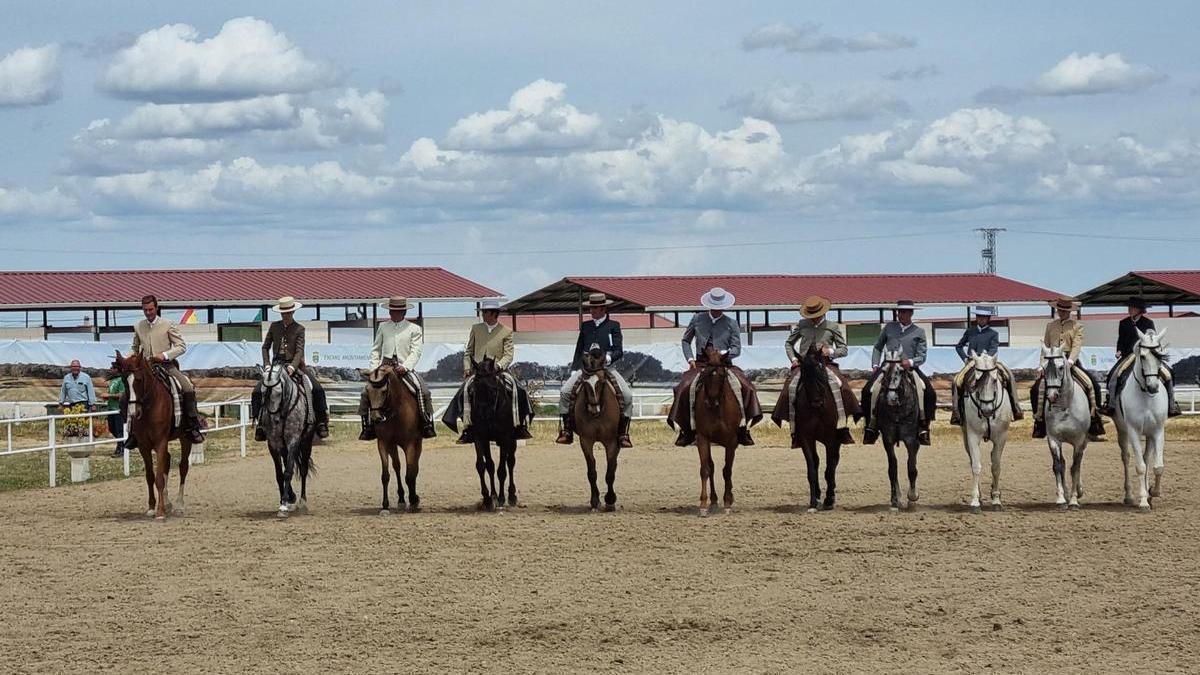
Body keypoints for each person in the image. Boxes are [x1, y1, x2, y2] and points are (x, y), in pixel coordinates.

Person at [668, 287, 762, 447]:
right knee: (683, 388)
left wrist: (723, 355)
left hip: (724, 365)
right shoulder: (697, 319)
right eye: (715, 306)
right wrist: (690, 358)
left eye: (720, 307)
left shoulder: (731, 323)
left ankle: (743, 428)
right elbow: (685, 340)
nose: (718, 310)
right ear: (709, 305)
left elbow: (737, 348)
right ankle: (687, 430)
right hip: (701, 364)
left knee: (747, 388)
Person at [775, 295, 861, 444]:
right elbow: (789, 343)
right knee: (790, 387)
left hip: (825, 364)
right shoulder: (802, 324)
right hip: (804, 365)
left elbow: (844, 349)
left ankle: (842, 425)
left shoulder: (832, 326)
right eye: (811, 316)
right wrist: (794, 359)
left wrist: (831, 352)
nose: (813, 318)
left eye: (815, 315)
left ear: (822, 313)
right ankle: (794, 428)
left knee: (841, 386)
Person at [124, 294, 205, 448]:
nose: (148, 313)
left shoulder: (168, 324)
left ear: (156, 308)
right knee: (125, 396)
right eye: (145, 310)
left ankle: (192, 425)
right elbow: (134, 348)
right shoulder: (138, 326)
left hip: (167, 366)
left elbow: (181, 346)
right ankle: (132, 432)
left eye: (150, 309)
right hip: (145, 370)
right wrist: (126, 359)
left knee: (187, 388)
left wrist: (165, 355)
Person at [555, 293, 634, 447]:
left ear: (603, 308)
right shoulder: (586, 326)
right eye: (590, 308)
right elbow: (579, 349)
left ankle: (623, 433)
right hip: (586, 369)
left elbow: (619, 350)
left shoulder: (613, 326)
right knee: (565, 392)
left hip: (607, 368)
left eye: (595, 308)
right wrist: (574, 369)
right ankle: (567, 430)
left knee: (627, 395)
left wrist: (609, 358)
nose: (592, 311)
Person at [358, 296, 437, 440]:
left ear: (403, 312)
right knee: (366, 392)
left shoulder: (414, 329)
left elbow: (416, 351)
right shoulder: (383, 326)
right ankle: (367, 426)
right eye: (391, 311)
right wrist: (374, 368)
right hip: (384, 367)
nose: (393, 314)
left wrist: (406, 366)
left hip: (404, 367)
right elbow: (376, 349)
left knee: (423, 390)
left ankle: (427, 423)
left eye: (397, 311)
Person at [860, 300, 938, 446]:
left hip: (909, 368)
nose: (900, 315)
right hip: (887, 367)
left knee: (928, 392)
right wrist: (876, 364)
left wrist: (911, 362)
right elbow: (878, 347)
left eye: (903, 312)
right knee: (867, 390)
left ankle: (923, 426)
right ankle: (871, 426)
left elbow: (922, 356)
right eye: (899, 312)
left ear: (911, 313)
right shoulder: (889, 327)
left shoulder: (919, 332)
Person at [252, 296, 330, 441]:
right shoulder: (274, 327)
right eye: (283, 313)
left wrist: (293, 367)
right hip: (276, 366)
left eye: (288, 313)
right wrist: (267, 364)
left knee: (317, 388)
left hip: (295, 365)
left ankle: (320, 422)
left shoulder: (299, 329)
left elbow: (299, 351)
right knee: (257, 391)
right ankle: (260, 424)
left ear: (293, 313)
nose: (285, 316)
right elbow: (265, 347)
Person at [456, 299, 533, 443]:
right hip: (478, 371)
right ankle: (467, 426)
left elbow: (508, 354)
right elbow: (468, 352)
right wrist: (467, 367)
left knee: (519, 390)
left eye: (485, 312)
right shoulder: (476, 328)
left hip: (498, 370)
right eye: (483, 312)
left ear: (493, 314)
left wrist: (498, 366)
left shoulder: (506, 331)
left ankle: (520, 424)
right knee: (463, 391)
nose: (483, 315)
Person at [1030, 296, 1105, 440]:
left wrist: (1070, 361)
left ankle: (1095, 419)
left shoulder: (1077, 326)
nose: (1062, 312)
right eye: (1060, 310)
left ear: (1070, 312)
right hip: (1052, 363)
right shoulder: (1050, 326)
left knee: (1092, 384)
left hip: (1070, 362)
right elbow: (1045, 347)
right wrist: (1041, 365)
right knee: (1036, 389)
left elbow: (1077, 345)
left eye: (1064, 310)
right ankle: (1039, 421)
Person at [1102, 296, 1181, 418]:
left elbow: (1153, 340)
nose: (1129, 309)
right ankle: (1111, 405)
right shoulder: (1123, 323)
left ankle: (1172, 405)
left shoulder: (1148, 323)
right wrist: (1118, 350)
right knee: (1114, 376)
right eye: (1129, 307)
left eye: (1132, 307)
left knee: (1169, 374)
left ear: (1139, 310)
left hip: (1147, 355)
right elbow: (1121, 339)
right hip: (1128, 355)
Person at [949, 306, 1024, 425]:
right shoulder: (970, 331)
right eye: (979, 317)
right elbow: (959, 346)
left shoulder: (993, 333)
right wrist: (965, 358)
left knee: (1009, 375)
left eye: (984, 317)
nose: (981, 319)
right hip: (973, 362)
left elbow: (994, 349)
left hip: (990, 362)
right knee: (956, 380)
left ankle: (1016, 408)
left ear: (988, 318)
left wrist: (987, 358)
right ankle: (956, 413)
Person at [104, 373, 126, 457]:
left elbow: (121, 395)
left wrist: (108, 395)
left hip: (118, 409)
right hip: (111, 408)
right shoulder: (112, 380)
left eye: (113, 368)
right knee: (112, 428)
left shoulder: (121, 380)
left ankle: (121, 449)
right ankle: (122, 443)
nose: (111, 370)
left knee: (119, 429)